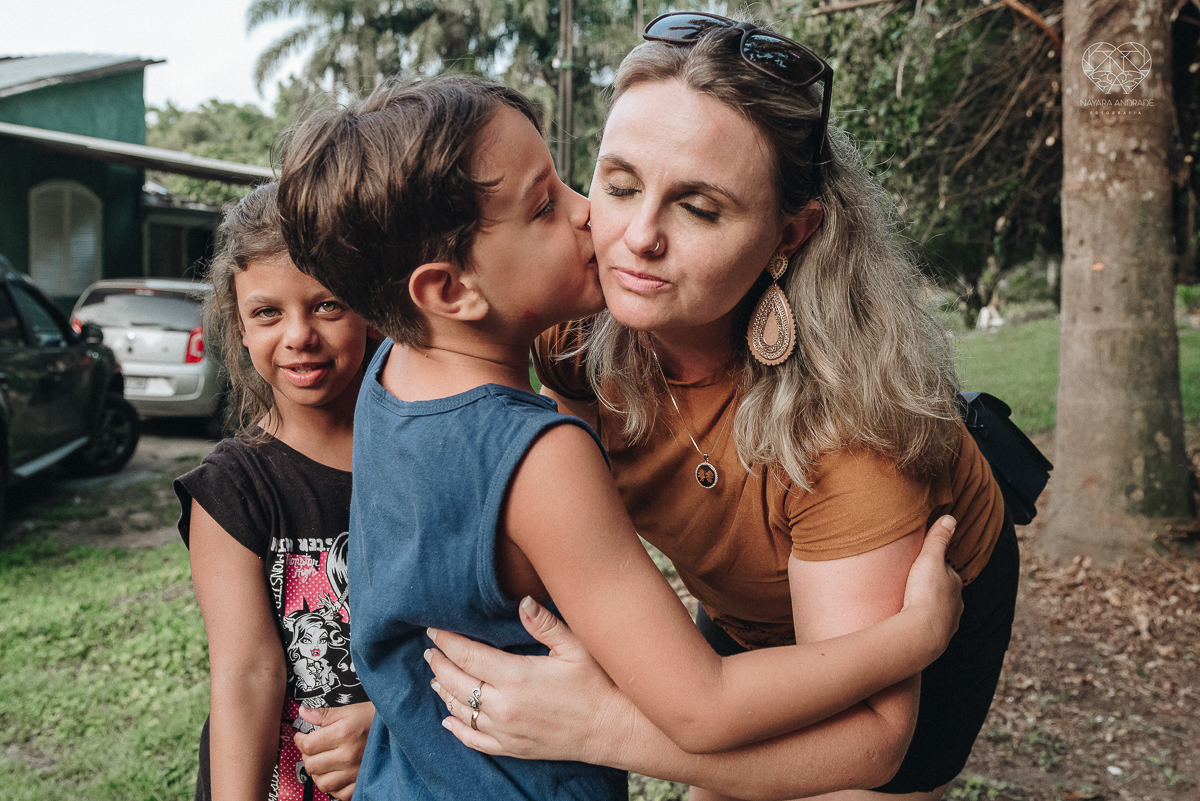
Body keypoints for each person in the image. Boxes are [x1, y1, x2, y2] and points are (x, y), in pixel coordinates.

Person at [275, 74, 963, 801]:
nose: (589, 214)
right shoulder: (542, 458)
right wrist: (911, 637)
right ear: (449, 290)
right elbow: (703, 706)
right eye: (545, 205)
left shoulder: (390, 375)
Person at [425, 13, 1019, 801]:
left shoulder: (850, 433)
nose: (636, 237)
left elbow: (870, 742)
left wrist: (600, 724)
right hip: (746, 607)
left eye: (699, 208)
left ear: (789, 234)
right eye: (620, 185)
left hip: (916, 622)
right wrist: (404, 707)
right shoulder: (574, 328)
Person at [175, 183, 376, 801]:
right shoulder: (233, 488)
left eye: (328, 305)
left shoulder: (428, 459)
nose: (299, 335)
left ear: (374, 305)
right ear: (238, 324)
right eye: (267, 312)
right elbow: (246, 676)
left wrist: (392, 723)